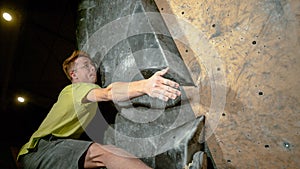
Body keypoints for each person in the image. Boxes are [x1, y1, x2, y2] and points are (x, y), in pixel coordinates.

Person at [17, 50, 181, 169]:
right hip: (39, 150)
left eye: (92, 65)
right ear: (73, 74)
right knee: (106, 153)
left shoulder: (85, 101)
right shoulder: (74, 90)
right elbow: (108, 92)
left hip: (40, 156)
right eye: (86, 65)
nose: (92, 68)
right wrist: (144, 85)